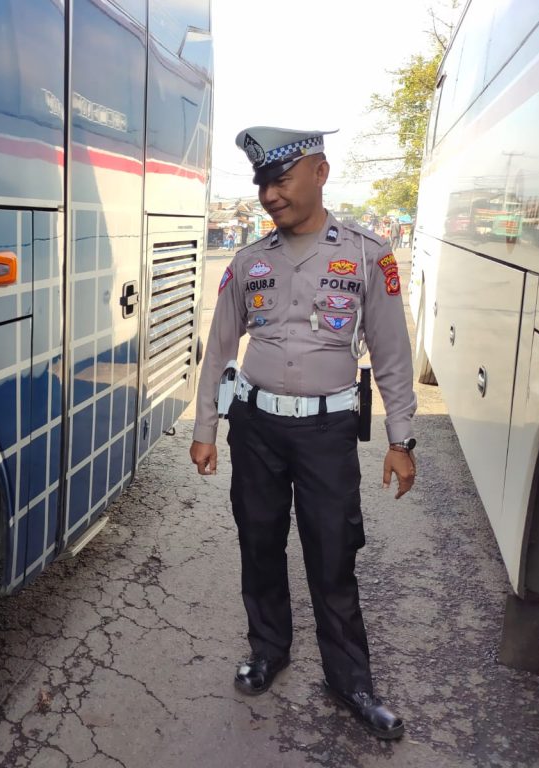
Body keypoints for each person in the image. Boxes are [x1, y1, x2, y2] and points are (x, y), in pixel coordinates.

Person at [189, 126, 416, 740]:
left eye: (280, 179)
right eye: (261, 182)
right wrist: (205, 425)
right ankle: (269, 650)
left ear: (319, 171)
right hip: (256, 428)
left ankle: (351, 680)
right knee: (259, 543)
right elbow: (219, 349)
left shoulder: (369, 256)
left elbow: (392, 355)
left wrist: (401, 440)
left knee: (332, 552)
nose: (268, 195)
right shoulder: (248, 260)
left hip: (327, 431)